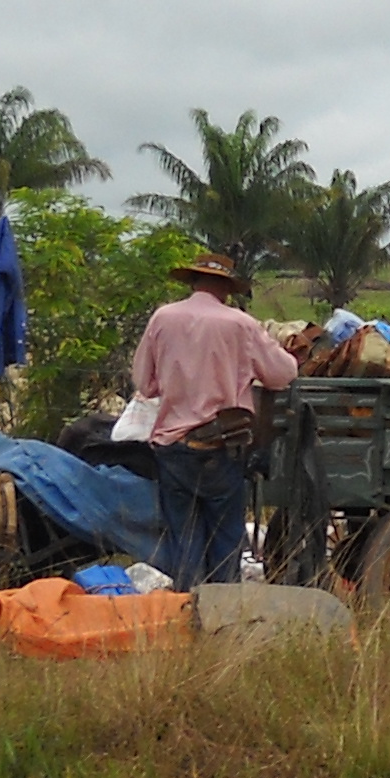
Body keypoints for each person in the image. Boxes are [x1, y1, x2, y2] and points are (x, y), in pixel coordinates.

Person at [128, 248, 296, 586]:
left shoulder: (163, 318)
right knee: (225, 538)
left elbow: (144, 384)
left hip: (173, 446)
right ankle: (221, 614)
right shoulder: (240, 324)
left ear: (193, 281)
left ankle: (187, 609)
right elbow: (283, 374)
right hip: (222, 449)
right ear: (226, 288)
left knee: (184, 540)